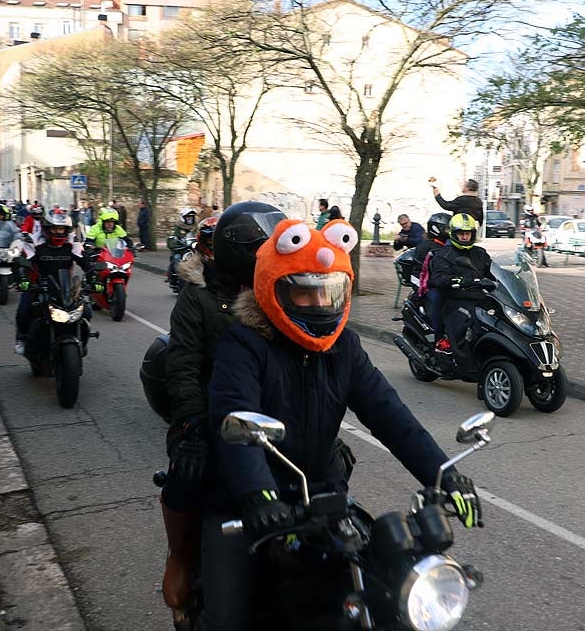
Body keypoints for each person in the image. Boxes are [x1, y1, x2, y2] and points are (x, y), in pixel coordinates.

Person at [197, 218, 481, 630]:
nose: (318, 303)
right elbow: (234, 421)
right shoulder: (244, 345)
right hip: (248, 505)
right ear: (275, 289)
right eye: (304, 292)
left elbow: (390, 415)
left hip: (323, 499)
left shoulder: (344, 347)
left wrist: (444, 475)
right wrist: (259, 495)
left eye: (328, 292)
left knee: (381, 588)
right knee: (227, 620)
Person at [145, 202, 287, 625]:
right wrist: (190, 425)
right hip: (210, 417)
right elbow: (184, 365)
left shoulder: (273, 292)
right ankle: (180, 557)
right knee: (187, 472)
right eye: (264, 249)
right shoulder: (198, 299)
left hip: (267, 418)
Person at [13, 209, 91, 356]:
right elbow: (23, 262)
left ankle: (82, 341)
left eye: (61, 229)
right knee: (24, 309)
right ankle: (22, 339)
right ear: (46, 228)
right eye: (54, 228)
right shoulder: (34, 241)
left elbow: (85, 262)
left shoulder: (72, 242)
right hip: (38, 286)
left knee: (86, 312)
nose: (58, 232)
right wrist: (22, 278)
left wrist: (94, 278)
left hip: (66, 289)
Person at [428, 213, 493, 361]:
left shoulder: (480, 253)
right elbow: (438, 277)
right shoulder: (444, 254)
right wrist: (457, 280)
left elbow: (493, 271)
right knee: (466, 318)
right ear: (453, 234)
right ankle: (449, 348)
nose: (464, 237)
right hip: (455, 299)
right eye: (461, 234)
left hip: (480, 297)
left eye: (468, 234)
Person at [413, 212, 451, 332]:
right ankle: (436, 334)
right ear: (436, 228)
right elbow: (418, 271)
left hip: (444, 281)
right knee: (436, 299)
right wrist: (425, 286)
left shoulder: (449, 245)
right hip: (428, 284)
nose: (449, 231)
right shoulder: (426, 247)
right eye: (446, 228)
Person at [167, 208, 198, 287]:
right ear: (183, 218)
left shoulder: (196, 226)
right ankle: (174, 277)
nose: (190, 219)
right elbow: (172, 238)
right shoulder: (177, 227)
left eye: (191, 217)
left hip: (194, 250)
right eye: (188, 217)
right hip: (181, 250)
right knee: (176, 258)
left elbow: (201, 235)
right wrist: (175, 245)